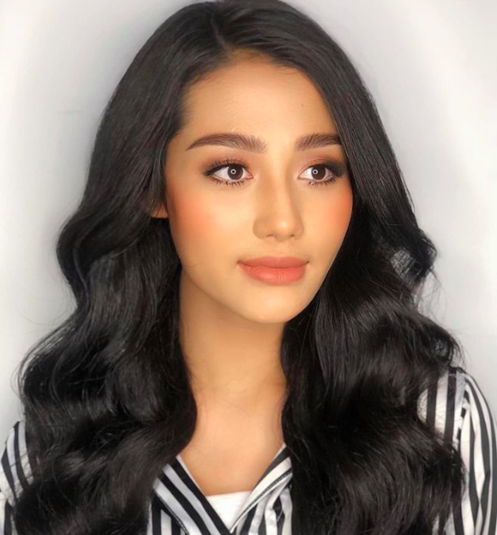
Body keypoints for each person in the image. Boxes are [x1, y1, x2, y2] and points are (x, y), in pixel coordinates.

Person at [1, 0, 496, 533]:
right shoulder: (51, 456)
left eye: (318, 171)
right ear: (152, 186)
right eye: (232, 170)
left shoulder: (434, 426)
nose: (283, 221)